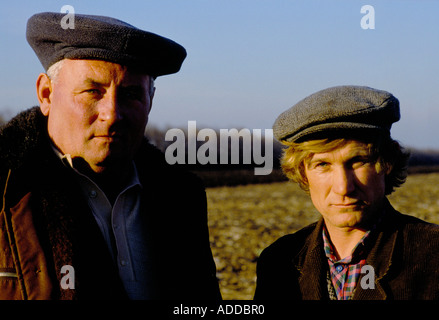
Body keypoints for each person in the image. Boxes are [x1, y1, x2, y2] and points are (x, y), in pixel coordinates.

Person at [0, 12, 221, 300]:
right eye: (92, 91)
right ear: (46, 94)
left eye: (131, 94)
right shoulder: (8, 191)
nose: (112, 114)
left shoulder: (181, 197)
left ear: (150, 100)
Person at [254, 85, 439, 300]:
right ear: (302, 173)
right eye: (322, 164)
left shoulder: (433, 254)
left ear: (388, 162)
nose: (344, 187)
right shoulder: (277, 262)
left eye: (358, 161)